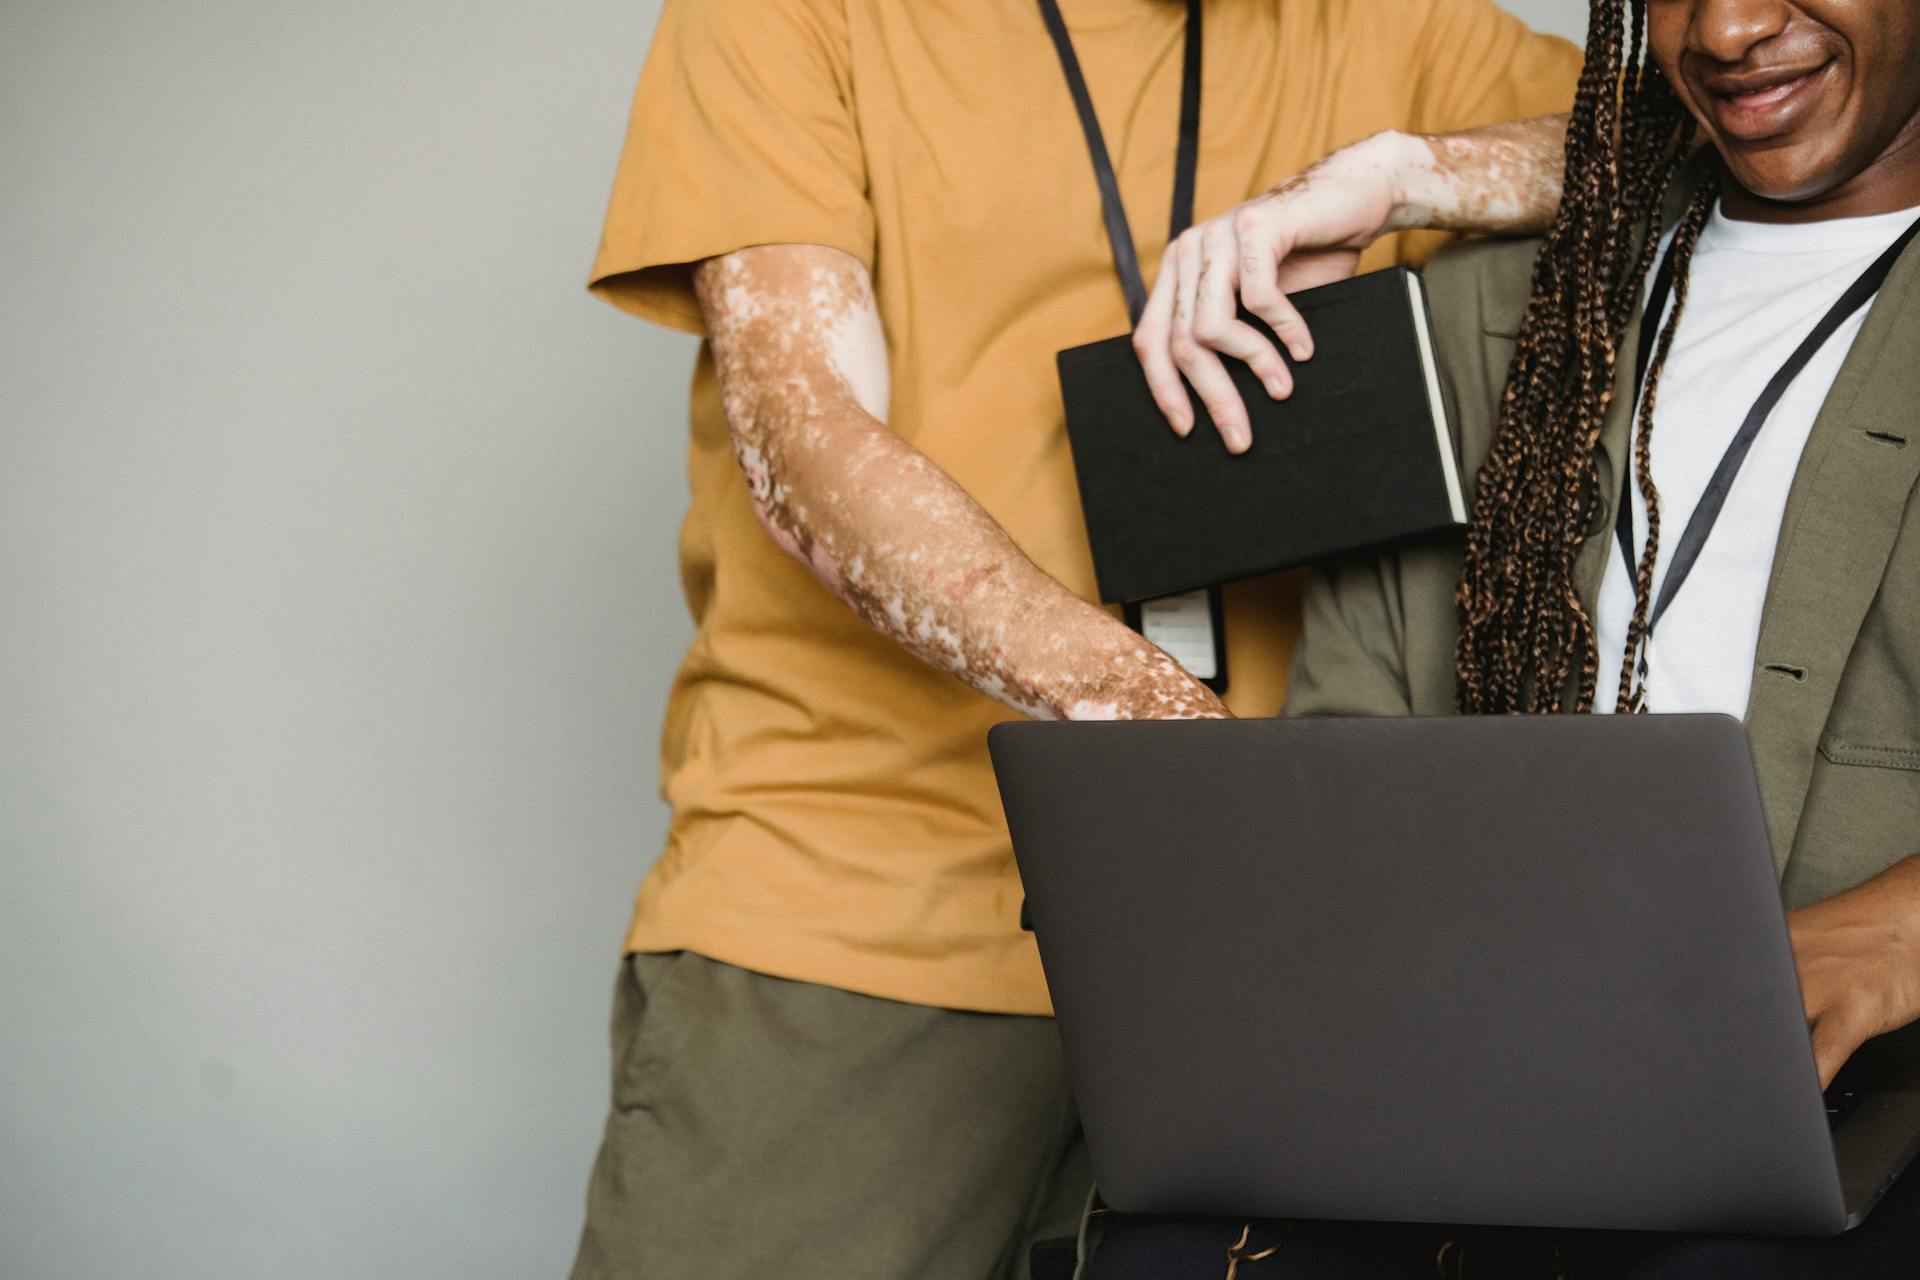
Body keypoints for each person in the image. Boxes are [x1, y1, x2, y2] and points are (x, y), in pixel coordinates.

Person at [570, 3, 1588, 1277]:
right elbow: (803, 437)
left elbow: (1683, 125)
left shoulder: (1387, 21)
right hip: (871, 903)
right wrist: (1138, 702)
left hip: (1254, 938)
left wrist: (1403, 177)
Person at [1083, 0, 1920, 1274]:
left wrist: (1897, 929)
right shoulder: (1493, 305)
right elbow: (1346, 744)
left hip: (1861, 1099)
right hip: (1480, 1063)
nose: (1734, 27)